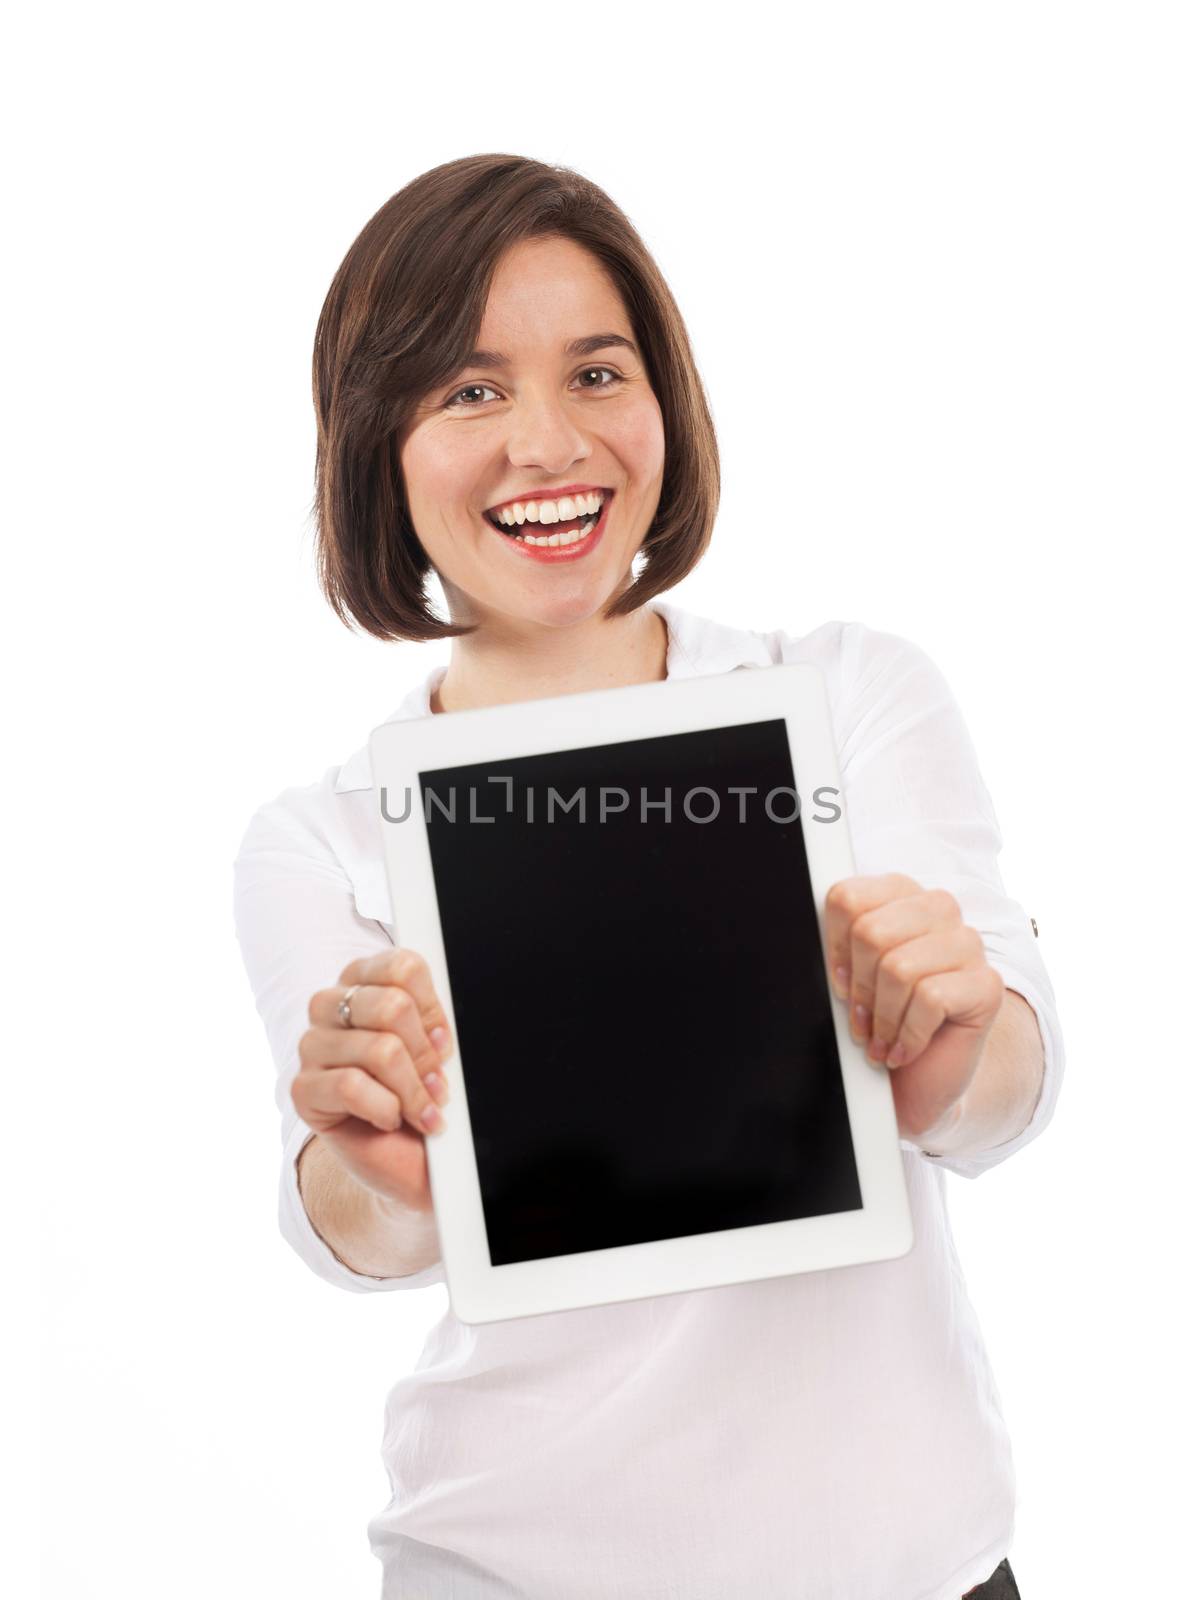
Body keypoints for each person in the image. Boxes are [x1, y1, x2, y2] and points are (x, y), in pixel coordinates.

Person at [232, 154, 1060, 1600]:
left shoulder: (849, 696)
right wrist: (382, 1175)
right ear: (379, 447)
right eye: (468, 391)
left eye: (596, 373)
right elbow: (360, 1234)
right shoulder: (325, 835)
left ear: (663, 401)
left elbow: (997, 1104)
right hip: (511, 1566)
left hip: (909, 1566)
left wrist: (956, 1036)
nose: (546, 444)